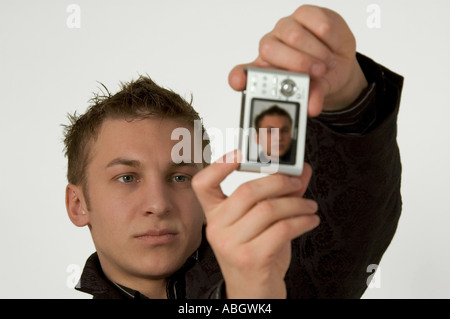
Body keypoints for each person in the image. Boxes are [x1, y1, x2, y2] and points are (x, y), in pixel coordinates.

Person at [63, 4, 403, 299]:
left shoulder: (278, 270)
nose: (158, 204)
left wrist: (344, 101)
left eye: (180, 176)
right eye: (127, 177)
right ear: (78, 205)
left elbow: (347, 227)